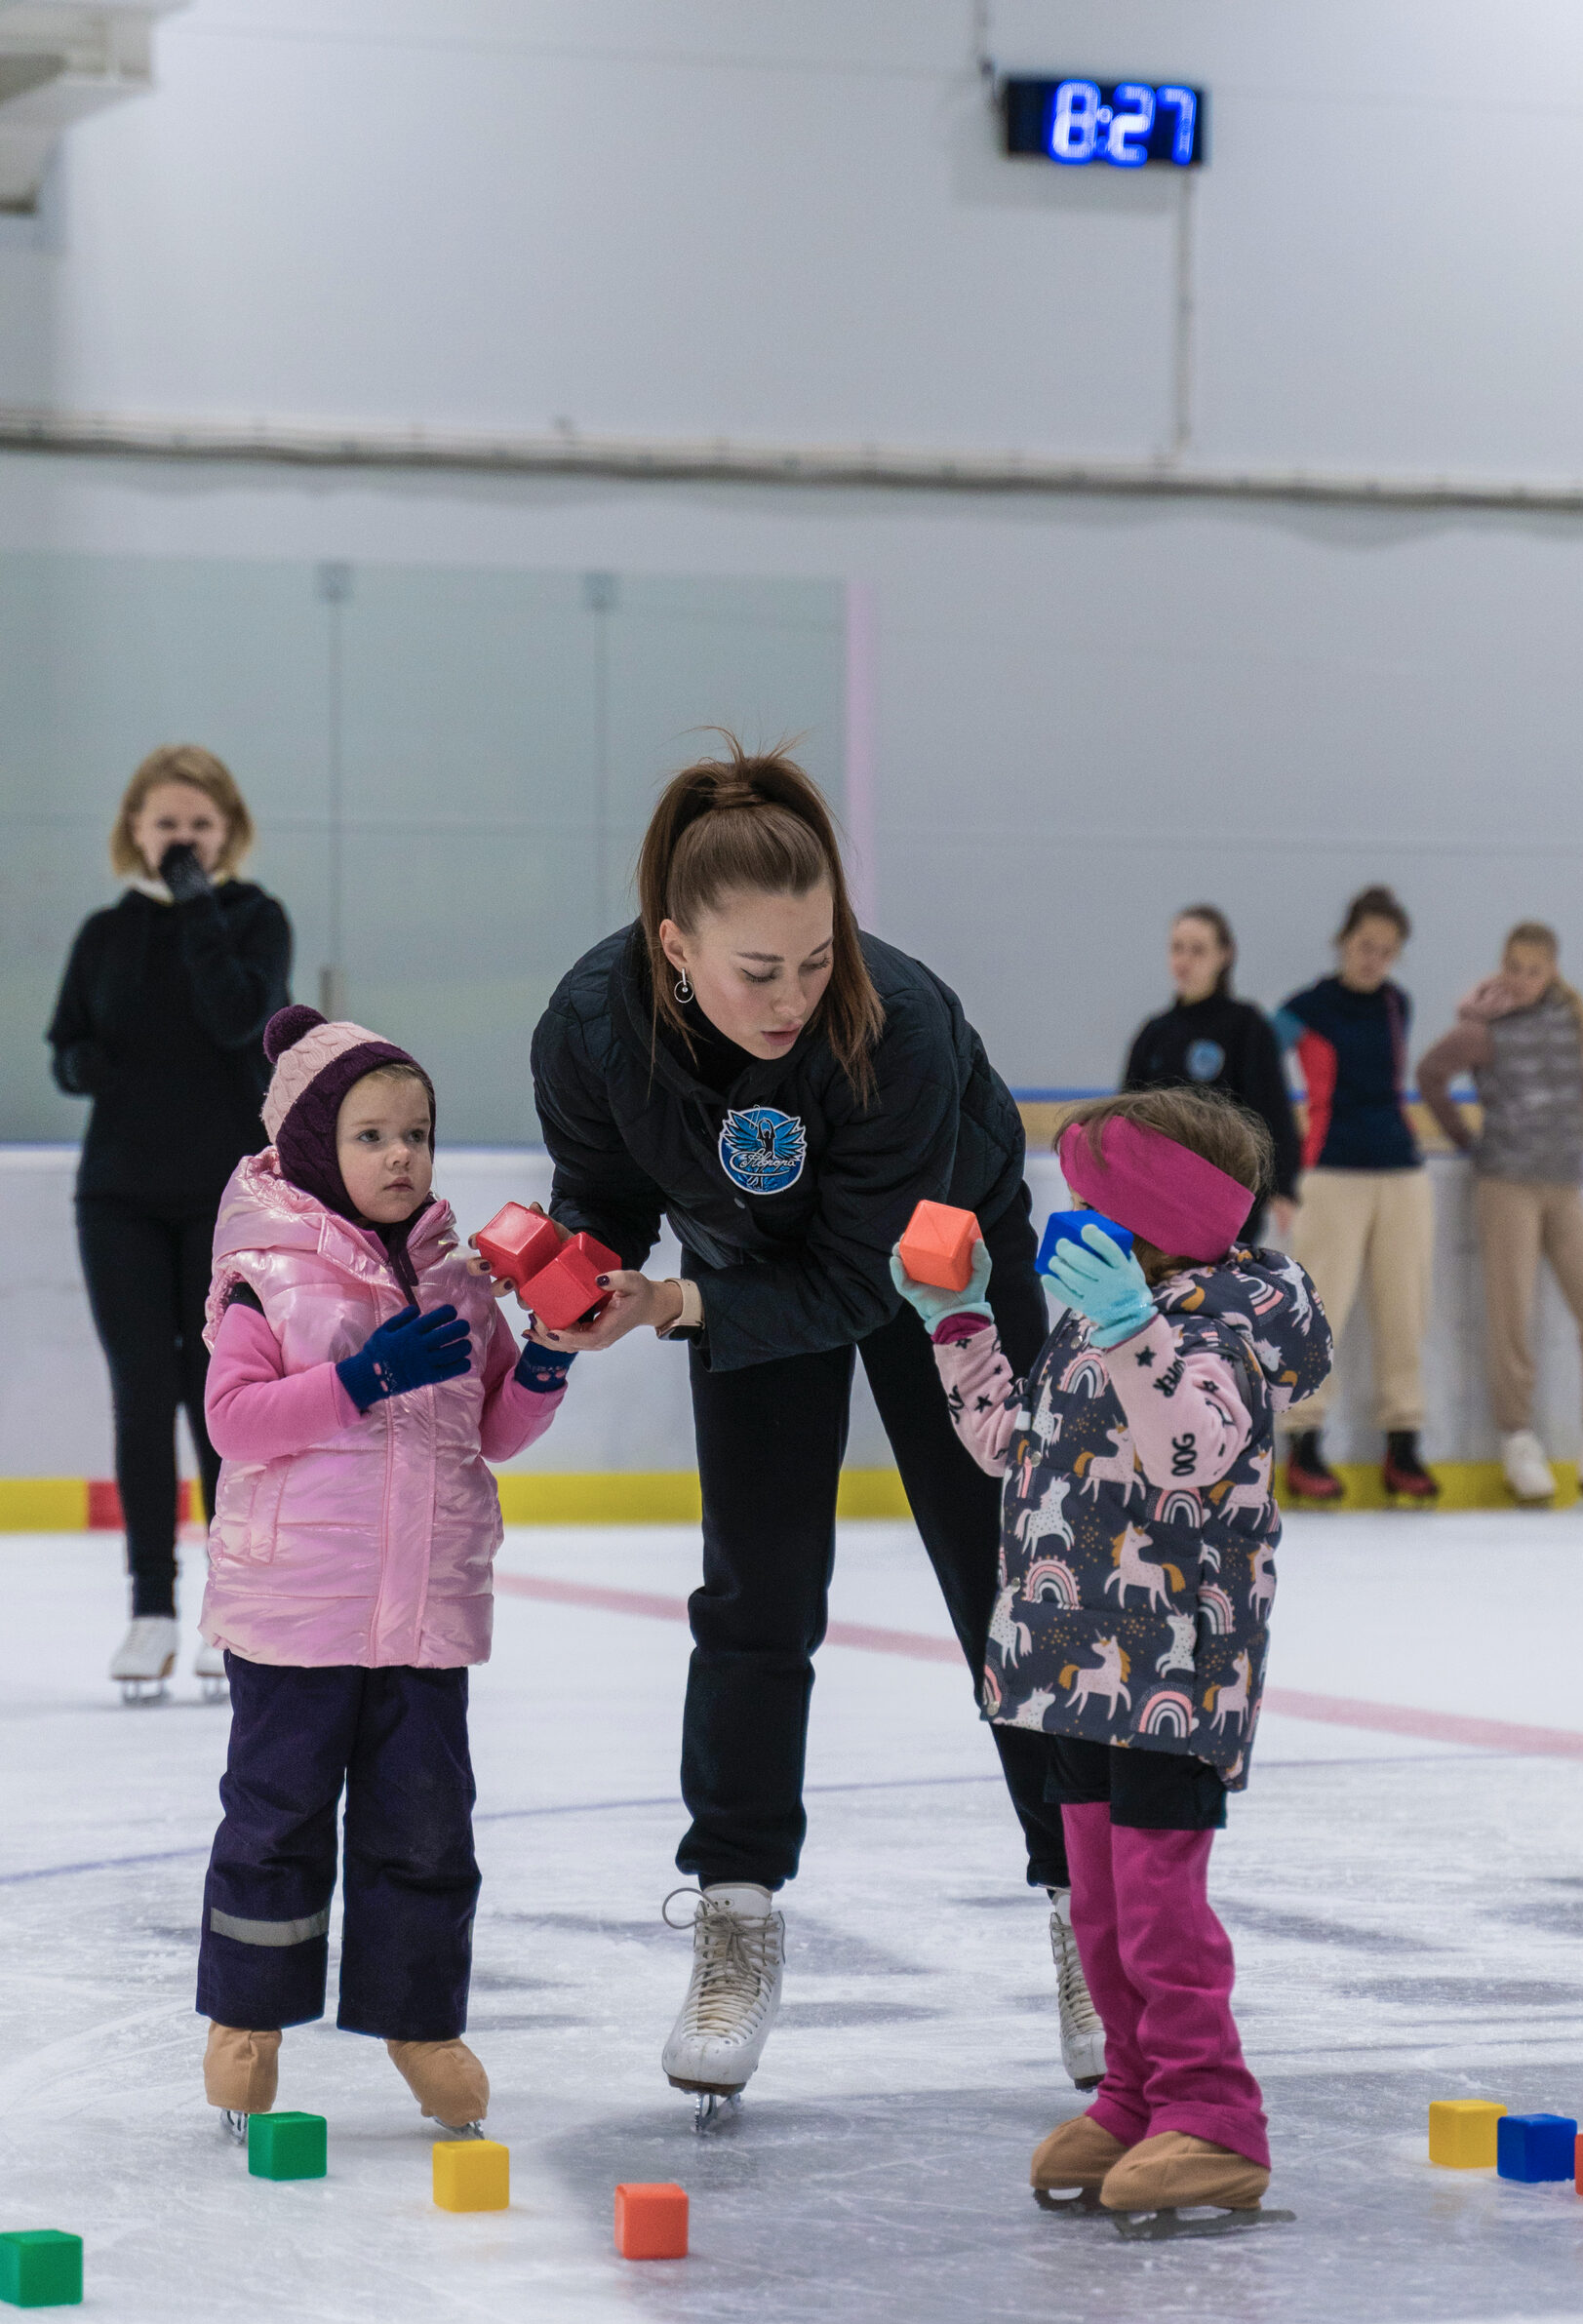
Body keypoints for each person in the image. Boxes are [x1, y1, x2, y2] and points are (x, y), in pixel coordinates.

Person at [529, 741, 1099, 2117]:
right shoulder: (594, 1027)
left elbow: (860, 1278)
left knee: (1009, 1585)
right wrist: (574, 1278)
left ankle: (1096, 1914)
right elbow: (601, 1191)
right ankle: (735, 1911)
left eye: (815, 956)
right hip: (731, 1278)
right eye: (755, 970)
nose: (794, 997)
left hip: (939, 1269)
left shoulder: (892, 1021)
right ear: (674, 944)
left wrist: (672, 1301)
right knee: (758, 1588)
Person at [894, 1088, 1330, 2211]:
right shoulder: (1094, 1323)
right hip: (1068, 1656)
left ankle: (1213, 2111)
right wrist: (960, 1323)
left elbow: (1190, 1448)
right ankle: (1136, 2096)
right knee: (1094, 1895)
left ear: (1157, 1214)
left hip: (1175, 1665)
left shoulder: (1226, 1319)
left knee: (1158, 1898)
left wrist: (1140, 1325)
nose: (1070, 1218)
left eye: (1094, 1199)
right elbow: (1005, 1445)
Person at [194, 1004, 575, 2136]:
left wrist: (547, 1352)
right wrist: (361, 1378)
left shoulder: (459, 1278)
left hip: (425, 1616)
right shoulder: (269, 1275)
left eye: (417, 1132)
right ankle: (249, 2018)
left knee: (425, 1827)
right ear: (317, 1145)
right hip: (297, 1614)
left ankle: (419, 2020)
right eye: (371, 1135)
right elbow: (235, 1421)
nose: (402, 1154)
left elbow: (495, 1429)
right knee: (276, 1819)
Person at [46, 745, 292, 1695]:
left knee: (216, 1397)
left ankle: (231, 1608)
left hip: (222, 1195)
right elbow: (67, 1043)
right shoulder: (107, 933)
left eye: (198, 824)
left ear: (225, 828)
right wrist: (95, 1069)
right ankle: (150, 1608)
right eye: (165, 825)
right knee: (140, 1393)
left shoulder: (254, 920)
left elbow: (241, 1018)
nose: (181, 839)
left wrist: (198, 904)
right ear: (135, 831)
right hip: (117, 1193)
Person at [1417, 923, 1583, 1504]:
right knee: (1511, 1315)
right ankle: (1518, 1440)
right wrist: (1467, 1142)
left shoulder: (1575, 1021)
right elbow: (1430, 1074)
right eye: (1512, 966)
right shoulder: (1484, 1029)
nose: (1520, 979)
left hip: (1563, 1184)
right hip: (1506, 1184)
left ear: (1553, 971)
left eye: (1533, 969)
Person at [1273, 886, 1438, 1504]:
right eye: (1366, 946)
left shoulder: (1399, 1003)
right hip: (1330, 1173)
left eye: (1387, 951)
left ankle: (1403, 1445)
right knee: (1321, 1310)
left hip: (1402, 1172)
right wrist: (1281, 1162)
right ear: (1345, 941)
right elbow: (1259, 1068)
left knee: (1405, 1310)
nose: (1374, 959)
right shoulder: (1306, 1007)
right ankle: (1304, 1444)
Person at [1122, 904, 1301, 1242]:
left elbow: (1272, 1109)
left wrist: (1283, 1186)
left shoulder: (1246, 1026)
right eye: (1177, 948)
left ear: (1224, 955)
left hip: (1227, 1197)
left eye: (1198, 949)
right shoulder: (1154, 1033)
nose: (1185, 960)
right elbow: (1125, 1117)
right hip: (1159, 1199)